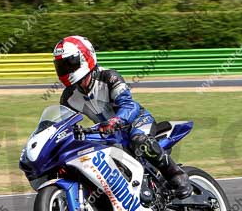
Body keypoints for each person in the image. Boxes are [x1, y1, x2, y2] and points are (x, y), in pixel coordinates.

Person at [53, 35, 192, 199]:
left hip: (136, 121)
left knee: (139, 140)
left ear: (85, 57)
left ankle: (177, 177)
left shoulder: (109, 77)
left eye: (70, 63)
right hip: (108, 133)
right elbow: (64, 124)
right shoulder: (68, 96)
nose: (67, 69)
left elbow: (129, 105)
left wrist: (116, 120)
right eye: (62, 66)